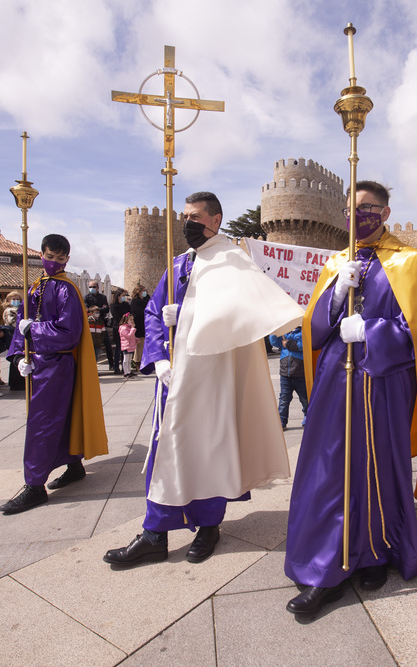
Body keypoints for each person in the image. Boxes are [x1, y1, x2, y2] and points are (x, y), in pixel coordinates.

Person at [284, 181, 417, 616]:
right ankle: (326, 564)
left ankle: (376, 550)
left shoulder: (410, 263)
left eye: (368, 208)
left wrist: (371, 332)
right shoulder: (336, 262)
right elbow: (313, 330)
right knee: (331, 469)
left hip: (384, 380)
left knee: (376, 466)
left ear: (386, 213)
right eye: (352, 208)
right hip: (337, 380)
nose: (359, 215)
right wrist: (336, 294)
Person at [103, 191, 302, 567]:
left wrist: (196, 313)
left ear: (215, 219)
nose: (187, 223)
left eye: (195, 216)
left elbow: (249, 312)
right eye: (185, 216)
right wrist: (159, 354)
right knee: (167, 449)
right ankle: (154, 533)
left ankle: (209, 526)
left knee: (212, 447)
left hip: (215, 375)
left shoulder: (234, 262)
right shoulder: (177, 264)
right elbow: (150, 313)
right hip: (176, 376)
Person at [2, 234, 108, 514]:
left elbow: (69, 333)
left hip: (57, 365)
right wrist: (17, 356)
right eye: (50, 257)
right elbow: (20, 325)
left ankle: (35, 485)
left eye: (60, 259)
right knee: (61, 417)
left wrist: (32, 331)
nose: (54, 262)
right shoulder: (33, 287)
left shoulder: (66, 290)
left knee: (43, 423)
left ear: (67, 260)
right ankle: (73, 464)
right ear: (41, 255)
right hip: (38, 362)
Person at [269, 326, 308, 430]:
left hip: (300, 371)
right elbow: (275, 342)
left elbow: (303, 345)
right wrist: (274, 332)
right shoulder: (284, 332)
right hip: (285, 372)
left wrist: (287, 344)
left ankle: (308, 416)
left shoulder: (303, 331)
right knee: (284, 398)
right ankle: (281, 420)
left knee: (305, 398)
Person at [85, 280, 115, 371]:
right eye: (90, 287)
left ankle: (111, 364)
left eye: (93, 287)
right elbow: (87, 309)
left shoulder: (102, 297)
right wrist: (100, 309)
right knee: (92, 347)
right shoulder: (86, 297)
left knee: (107, 344)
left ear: (98, 287)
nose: (92, 289)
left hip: (101, 322)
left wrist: (95, 310)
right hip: (91, 323)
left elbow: (106, 309)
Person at [2, 292, 25, 390]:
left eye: (17, 298)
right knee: (15, 357)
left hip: (20, 335)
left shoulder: (21, 309)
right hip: (14, 335)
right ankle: (15, 383)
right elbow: (13, 322)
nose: (16, 301)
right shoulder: (9, 310)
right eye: (13, 299)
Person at [109, 288, 131, 374]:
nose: (124, 297)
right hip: (118, 327)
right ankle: (116, 367)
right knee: (118, 347)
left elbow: (129, 313)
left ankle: (124, 368)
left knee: (125, 349)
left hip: (126, 327)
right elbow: (116, 316)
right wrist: (124, 321)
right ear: (118, 296)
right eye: (122, 296)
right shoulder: (113, 305)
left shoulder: (126, 304)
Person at [129, 284, 149, 374]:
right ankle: (137, 362)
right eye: (143, 291)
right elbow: (138, 313)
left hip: (145, 325)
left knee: (144, 346)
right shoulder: (135, 302)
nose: (145, 293)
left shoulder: (145, 300)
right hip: (139, 326)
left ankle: (144, 362)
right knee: (139, 347)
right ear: (139, 292)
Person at [117, 313, 137, 378]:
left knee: (129, 359)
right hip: (126, 346)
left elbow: (132, 336)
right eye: (130, 319)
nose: (132, 321)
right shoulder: (123, 328)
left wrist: (136, 339)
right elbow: (128, 336)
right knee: (126, 360)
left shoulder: (129, 328)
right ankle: (126, 372)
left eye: (132, 319)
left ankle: (129, 371)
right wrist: (133, 329)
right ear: (126, 320)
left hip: (130, 345)